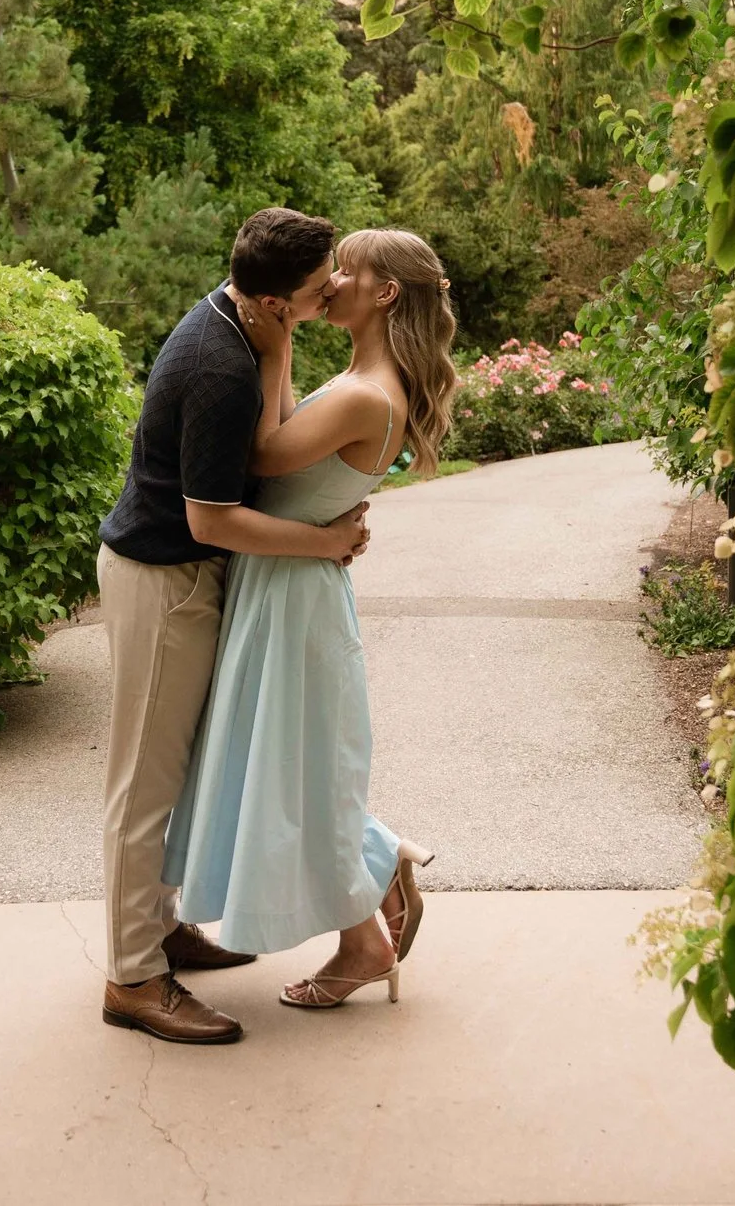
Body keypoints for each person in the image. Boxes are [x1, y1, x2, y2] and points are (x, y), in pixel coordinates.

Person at [94, 208, 372, 1045]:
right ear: (272, 300)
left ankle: (160, 930)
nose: (337, 293)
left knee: (174, 769)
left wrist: (284, 341)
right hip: (163, 577)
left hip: (183, 574)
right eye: (322, 289)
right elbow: (213, 518)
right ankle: (133, 978)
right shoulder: (219, 365)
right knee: (143, 784)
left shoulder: (244, 326)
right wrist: (324, 542)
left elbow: (270, 431)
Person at [163, 228, 459, 1009]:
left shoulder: (367, 391)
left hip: (294, 597)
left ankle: (364, 940)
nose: (330, 284)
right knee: (286, 768)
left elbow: (261, 452)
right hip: (287, 583)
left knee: (297, 774)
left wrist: (279, 327)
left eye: (346, 271)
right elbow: (286, 430)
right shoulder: (362, 377)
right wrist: (284, 333)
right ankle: (381, 859)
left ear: (385, 292)